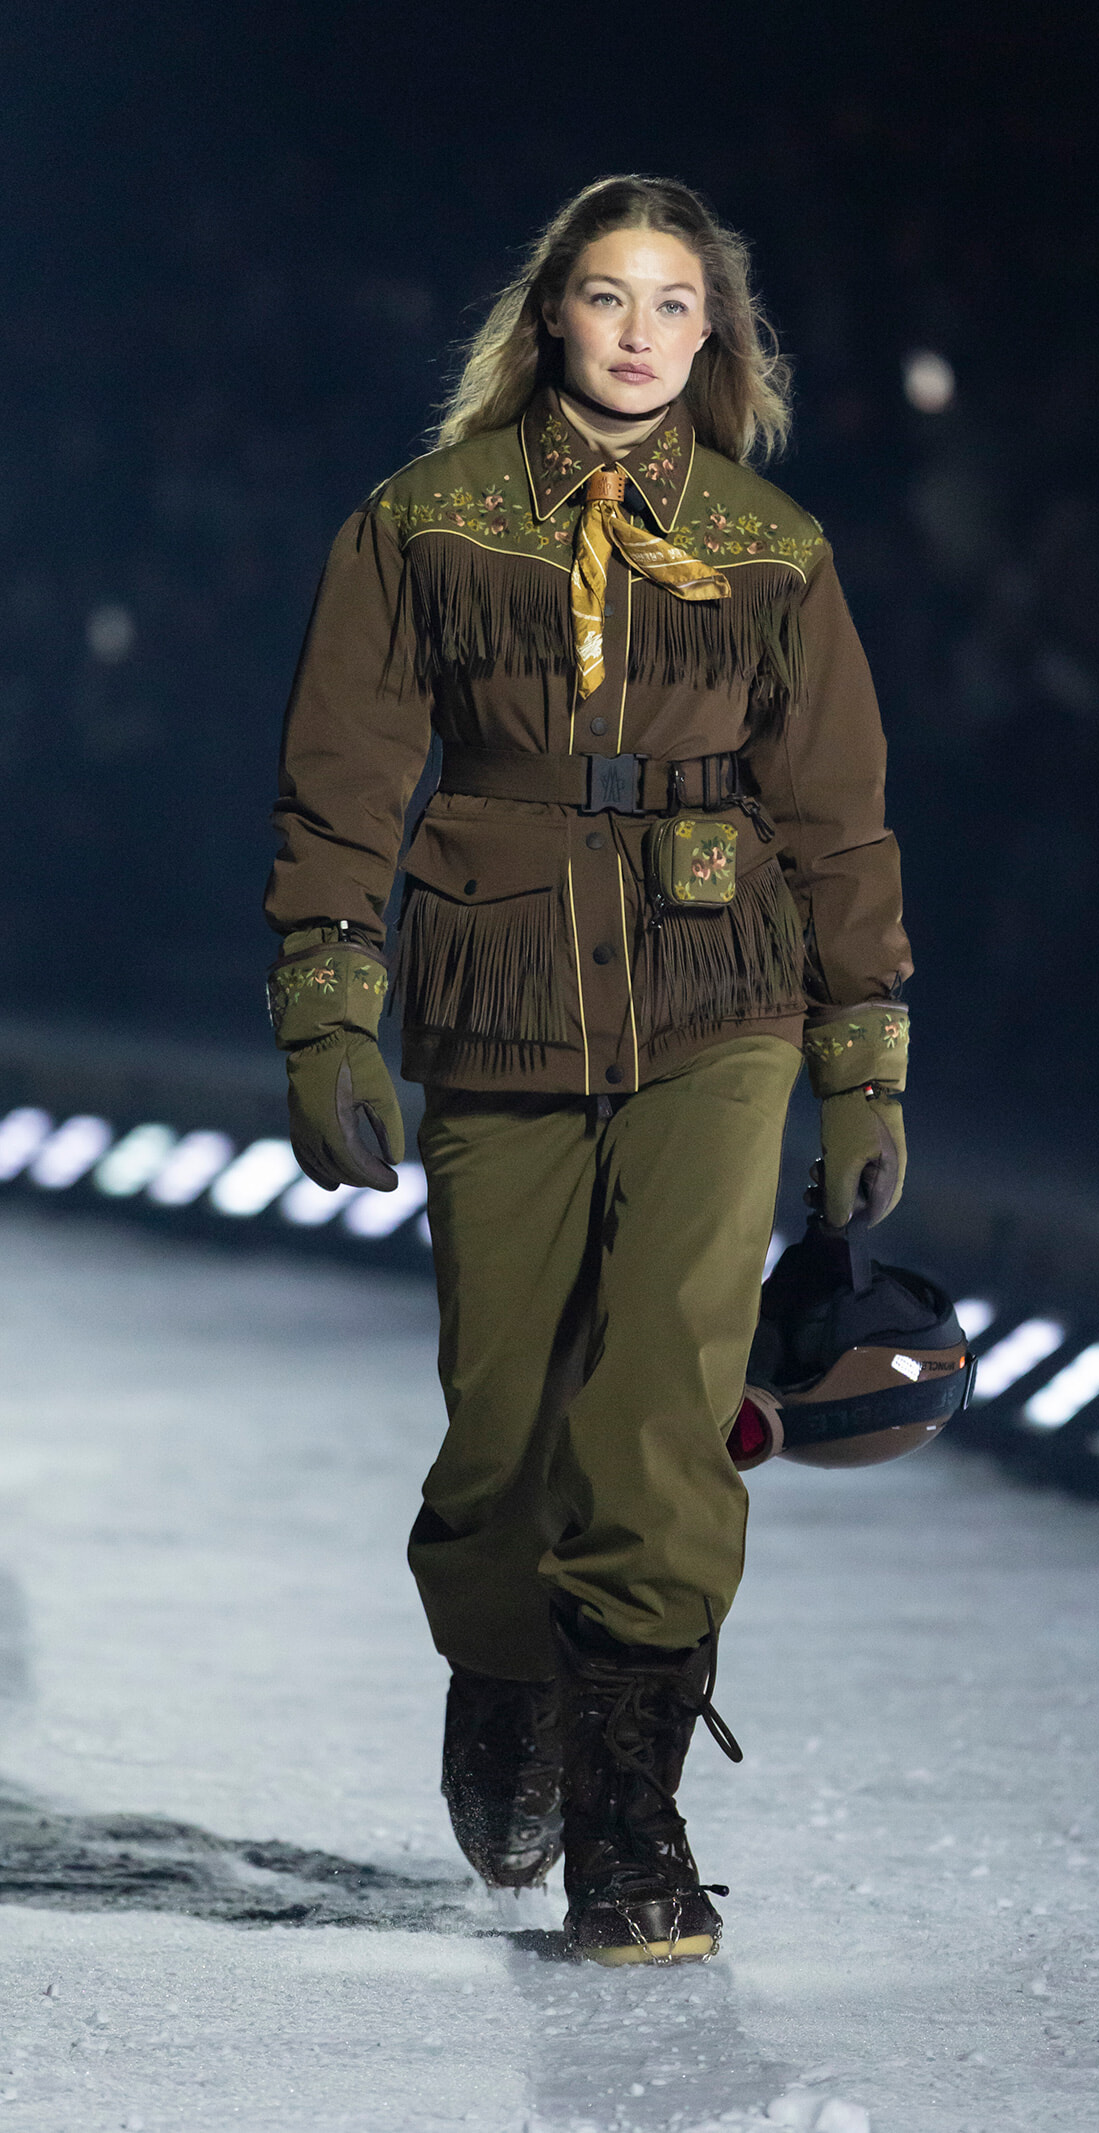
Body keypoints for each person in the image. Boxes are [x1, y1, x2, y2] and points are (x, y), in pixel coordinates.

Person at [264, 175, 912, 1966]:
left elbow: (840, 820)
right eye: (609, 297)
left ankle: (632, 1819)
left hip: (727, 994)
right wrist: (327, 1006)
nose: (639, 331)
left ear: (718, 337)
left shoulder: (775, 549)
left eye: (674, 304)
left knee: (660, 1399)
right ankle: (500, 1669)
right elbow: (340, 781)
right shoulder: (424, 523)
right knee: (503, 1421)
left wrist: (862, 1063)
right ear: (551, 313)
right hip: (497, 992)